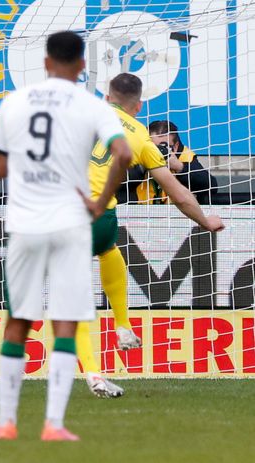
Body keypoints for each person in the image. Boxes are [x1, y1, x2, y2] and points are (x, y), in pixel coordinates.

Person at [0, 31, 132, 442]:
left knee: (19, 322)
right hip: (70, 223)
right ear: (82, 66)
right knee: (66, 323)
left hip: (26, 222)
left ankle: (6, 423)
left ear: (45, 62)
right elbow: (123, 154)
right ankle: (54, 425)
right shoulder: (90, 105)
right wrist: (101, 201)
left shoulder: (15, 101)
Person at [78, 73, 225, 398]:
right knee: (107, 249)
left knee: (69, 299)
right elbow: (180, 195)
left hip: (60, 212)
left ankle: (92, 372)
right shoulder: (141, 136)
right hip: (103, 217)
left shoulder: (80, 111)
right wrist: (206, 221)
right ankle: (123, 324)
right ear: (139, 105)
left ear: (105, 98)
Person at [135, 120, 217, 205]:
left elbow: (212, 186)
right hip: (141, 210)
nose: (157, 151)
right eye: (152, 147)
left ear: (176, 146)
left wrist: (180, 167)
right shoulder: (138, 155)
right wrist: (140, 168)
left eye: (163, 147)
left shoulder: (185, 157)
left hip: (177, 212)